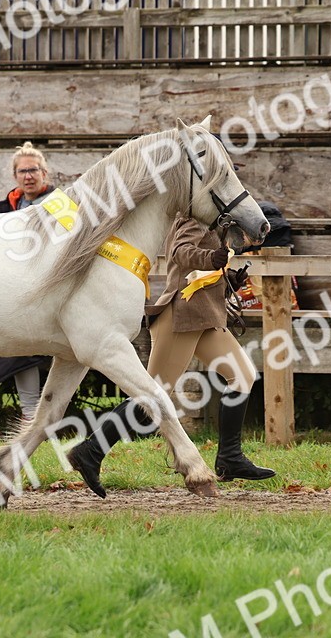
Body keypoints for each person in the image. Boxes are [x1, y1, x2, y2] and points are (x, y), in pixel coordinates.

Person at [68, 213, 276, 497]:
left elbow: (199, 273)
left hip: (206, 317)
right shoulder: (195, 219)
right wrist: (211, 259)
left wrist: (228, 282)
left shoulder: (216, 223)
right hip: (182, 316)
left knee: (243, 375)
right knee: (153, 394)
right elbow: (180, 252)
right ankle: (91, 451)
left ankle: (230, 457)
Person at [0, 141, 56, 434]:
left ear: (44, 172)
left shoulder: (60, 204)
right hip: (5, 288)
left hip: (45, 288)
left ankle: (30, 416)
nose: (28, 176)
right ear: (15, 176)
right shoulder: (1, 210)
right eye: (22, 171)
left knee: (20, 341)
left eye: (33, 170)